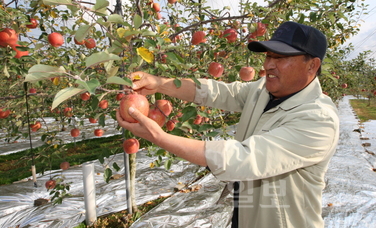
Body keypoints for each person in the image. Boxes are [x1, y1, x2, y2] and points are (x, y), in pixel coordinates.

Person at [116, 21, 340, 228]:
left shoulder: (319, 119)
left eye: (280, 58)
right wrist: (160, 84)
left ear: (312, 66)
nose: (269, 65)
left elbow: (243, 158)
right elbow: (217, 92)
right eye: (268, 56)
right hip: (246, 216)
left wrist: (160, 137)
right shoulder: (263, 89)